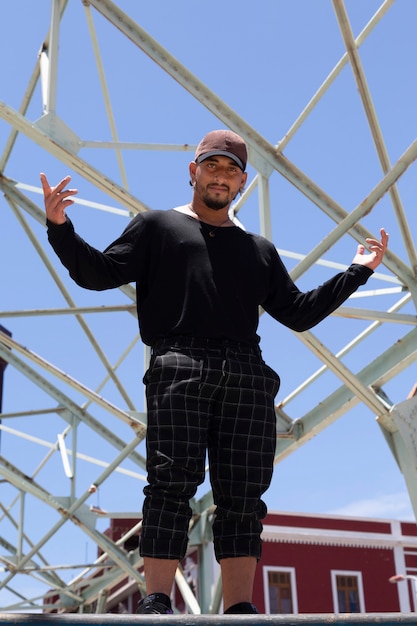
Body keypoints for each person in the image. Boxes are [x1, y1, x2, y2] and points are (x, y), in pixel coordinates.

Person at [41, 129, 388, 615]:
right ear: (193, 171)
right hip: (179, 361)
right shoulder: (157, 226)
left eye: (231, 171)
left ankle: (239, 610)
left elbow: (299, 312)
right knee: (170, 484)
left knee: (243, 493)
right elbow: (97, 273)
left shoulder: (257, 249)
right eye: (212, 166)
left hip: (247, 370)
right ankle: (158, 600)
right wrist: (60, 226)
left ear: (242, 182)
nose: (220, 177)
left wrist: (358, 270)